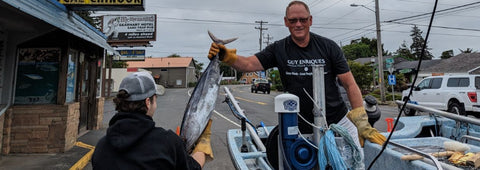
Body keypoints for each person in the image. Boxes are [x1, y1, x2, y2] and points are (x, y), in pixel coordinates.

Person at [208, 1, 385, 148]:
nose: (298, 24)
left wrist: (361, 121)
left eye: (302, 19)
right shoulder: (279, 49)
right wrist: (227, 56)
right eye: (293, 21)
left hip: (338, 120)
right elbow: (247, 64)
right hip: (298, 125)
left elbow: (349, 84)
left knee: (358, 160)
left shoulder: (329, 47)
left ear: (310, 20)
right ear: (286, 22)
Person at [92, 72, 213, 169]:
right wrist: (202, 144)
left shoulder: (102, 147)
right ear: (148, 102)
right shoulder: (168, 143)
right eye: (155, 98)